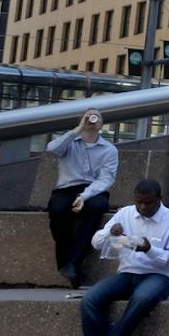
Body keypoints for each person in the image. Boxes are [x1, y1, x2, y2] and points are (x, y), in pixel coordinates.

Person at [77, 177, 169, 336]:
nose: (142, 207)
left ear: (159, 200)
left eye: (147, 202)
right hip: (127, 274)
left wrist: (150, 250)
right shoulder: (125, 213)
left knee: (142, 299)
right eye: (138, 202)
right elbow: (96, 243)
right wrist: (110, 233)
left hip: (159, 277)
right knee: (90, 299)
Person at [46, 109, 119, 287]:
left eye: (97, 117)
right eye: (88, 116)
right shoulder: (69, 143)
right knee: (57, 211)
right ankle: (68, 263)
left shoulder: (109, 150)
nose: (92, 120)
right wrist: (77, 129)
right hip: (66, 188)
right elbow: (52, 149)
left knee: (96, 207)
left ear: (102, 124)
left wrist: (84, 196)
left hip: (93, 190)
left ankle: (72, 263)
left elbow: (105, 179)